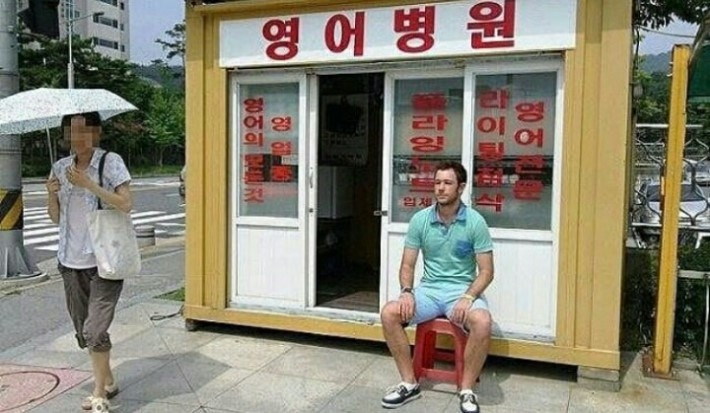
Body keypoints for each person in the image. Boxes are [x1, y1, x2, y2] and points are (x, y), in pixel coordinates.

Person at [380, 161, 494, 413]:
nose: (440, 188)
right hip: (429, 291)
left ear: (460, 188)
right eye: (437, 182)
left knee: (483, 321)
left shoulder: (475, 222)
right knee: (389, 313)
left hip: (461, 292)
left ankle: (466, 390)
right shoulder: (420, 220)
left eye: (447, 183)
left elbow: (486, 271)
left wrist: (468, 296)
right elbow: (407, 265)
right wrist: (406, 292)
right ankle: (409, 383)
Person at [46, 112, 133, 413]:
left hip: (104, 261)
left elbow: (126, 204)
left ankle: (99, 394)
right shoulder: (59, 168)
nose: (78, 137)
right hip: (70, 262)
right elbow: (55, 218)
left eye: (84, 130)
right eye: (72, 131)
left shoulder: (110, 162)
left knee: (94, 330)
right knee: (84, 332)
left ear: (97, 133)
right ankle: (108, 380)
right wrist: (51, 195)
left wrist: (89, 185)